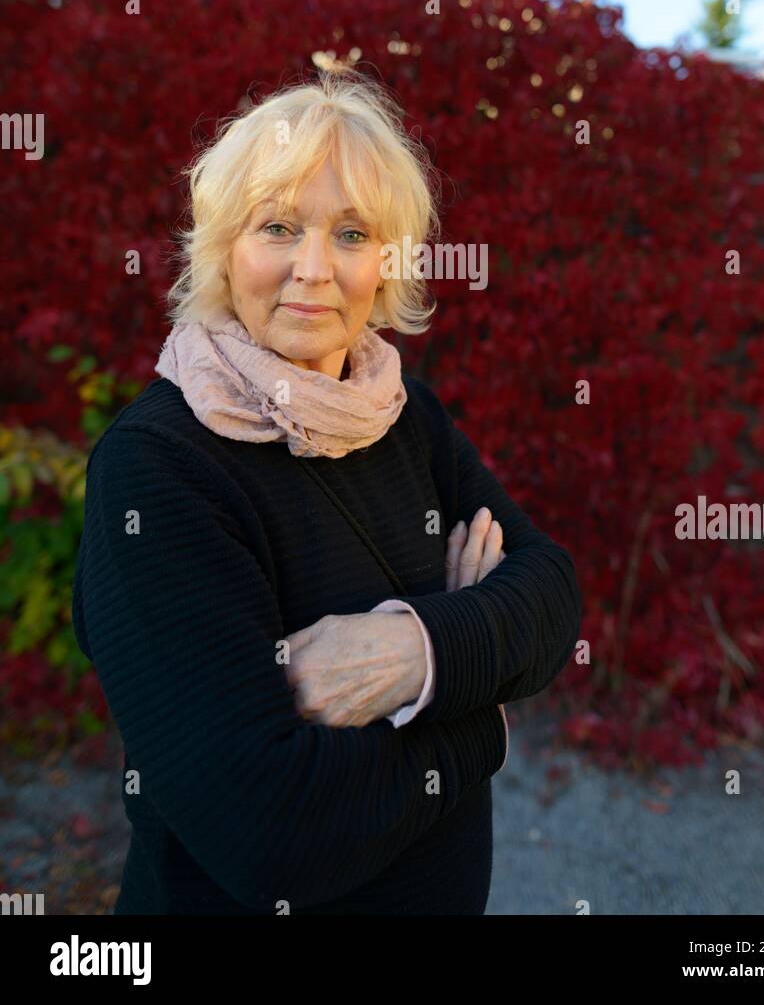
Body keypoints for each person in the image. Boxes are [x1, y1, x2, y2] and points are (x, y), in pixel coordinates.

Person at [72, 69, 582, 915]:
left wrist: (415, 655)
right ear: (224, 247)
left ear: (388, 263)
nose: (313, 269)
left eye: (351, 234)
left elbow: (550, 593)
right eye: (277, 227)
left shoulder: (404, 413)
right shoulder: (158, 468)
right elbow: (270, 833)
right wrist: (480, 705)